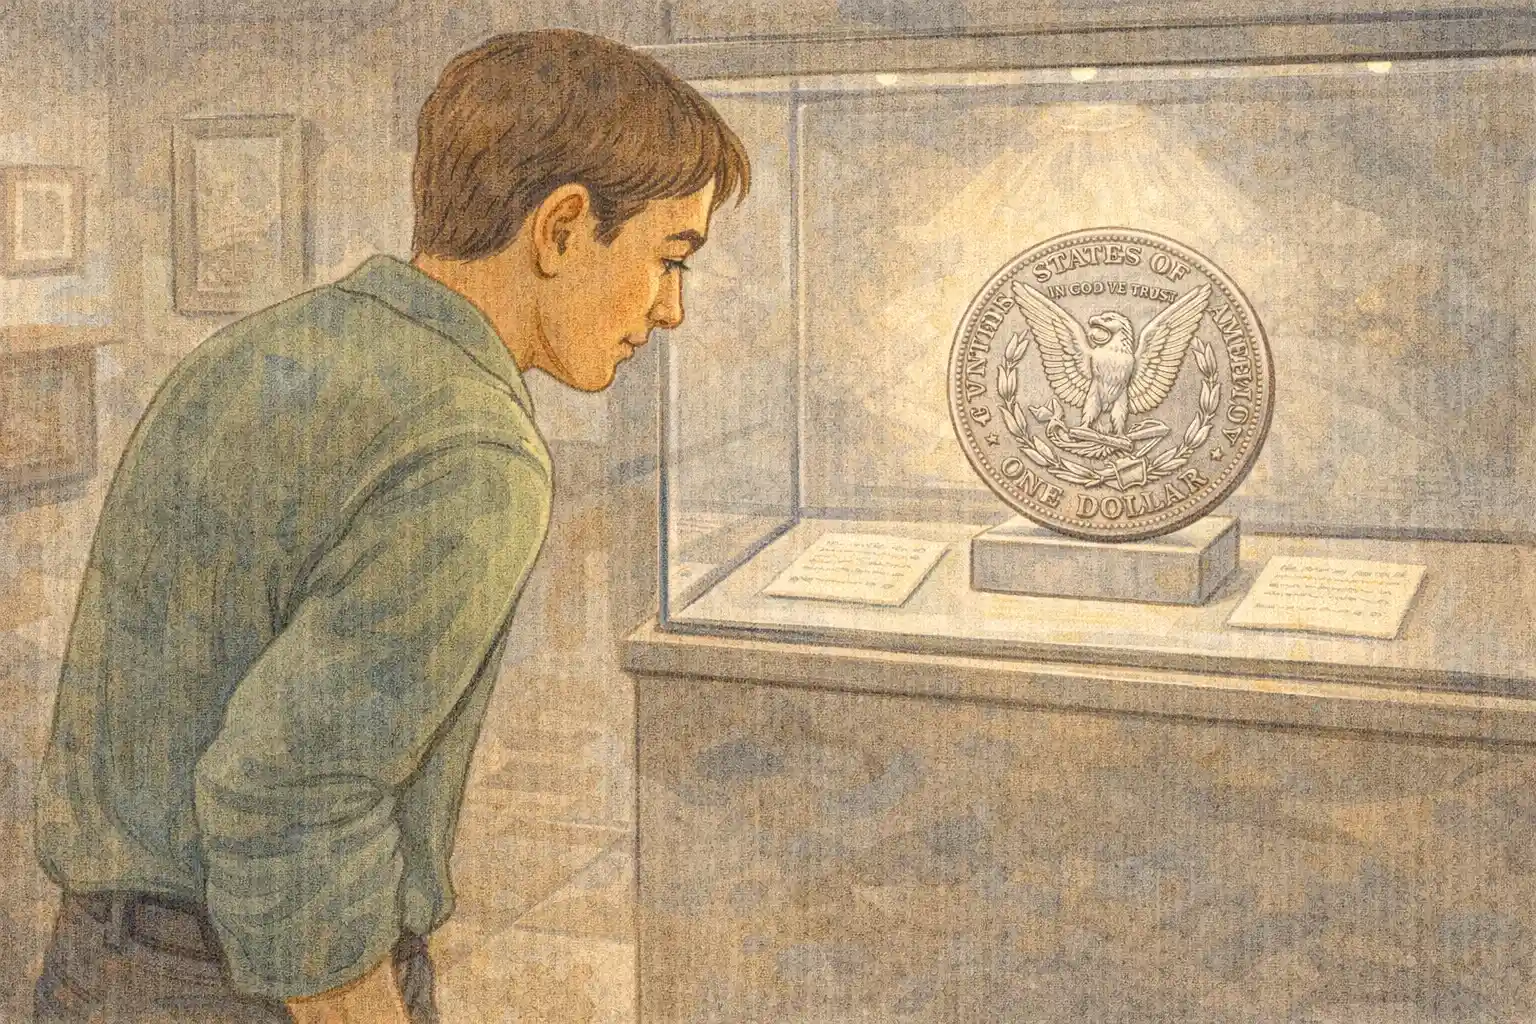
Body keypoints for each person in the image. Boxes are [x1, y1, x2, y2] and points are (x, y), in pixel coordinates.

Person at [32, 28, 748, 1023]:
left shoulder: (254, 352)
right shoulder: (474, 447)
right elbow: (290, 801)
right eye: (670, 258)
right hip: (253, 987)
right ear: (562, 228)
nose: (671, 308)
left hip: (95, 967)